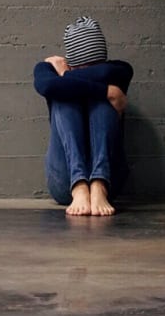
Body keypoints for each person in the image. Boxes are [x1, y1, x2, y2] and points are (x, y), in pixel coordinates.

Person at [33, 17, 133, 216]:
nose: (93, 72)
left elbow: (105, 72)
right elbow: (48, 86)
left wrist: (67, 76)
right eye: (84, 68)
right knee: (65, 96)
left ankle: (98, 183)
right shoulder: (46, 72)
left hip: (110, 180)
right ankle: (79, 185)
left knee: (101, 100)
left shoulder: (118, 70)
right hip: (65, 182)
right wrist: (106, 90)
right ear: (72, 63)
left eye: (96, 68)